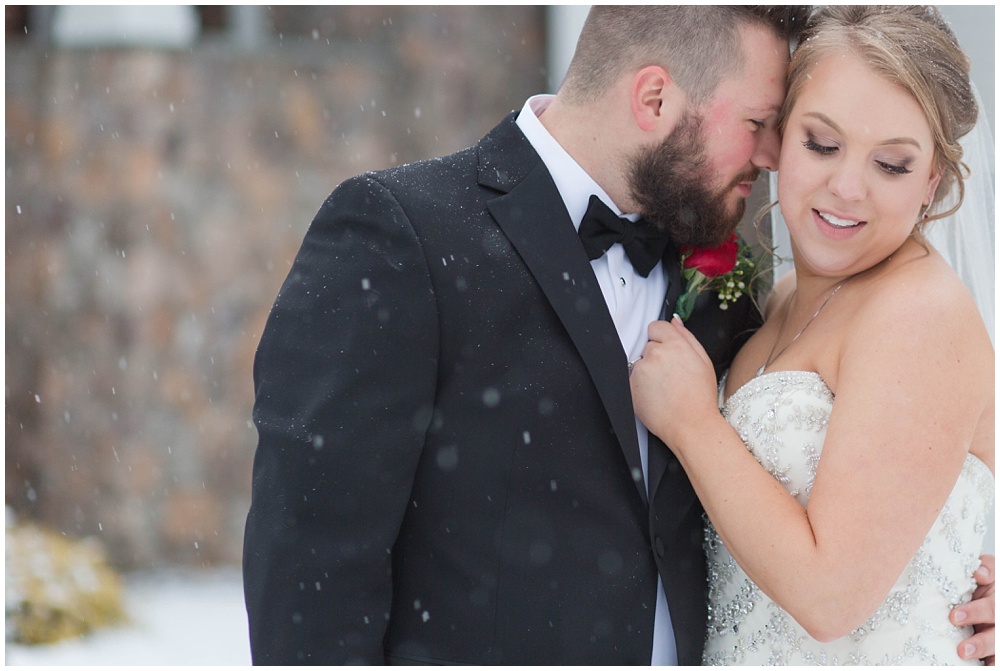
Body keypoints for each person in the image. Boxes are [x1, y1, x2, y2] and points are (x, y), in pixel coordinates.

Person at [243, 6, 995, 665]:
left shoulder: (726, 271)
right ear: (655, 97)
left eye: (891, 162)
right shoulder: (402, 234)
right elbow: (311, 566)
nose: (773, 159)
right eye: (768, 128)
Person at [630, 5, 995, 665]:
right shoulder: (782, 298)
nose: (846, 187)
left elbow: (831, 597)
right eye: (821, 144)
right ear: (779, 137)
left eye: (891, 164)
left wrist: (692, 421)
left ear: (932, 181)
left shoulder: (921, 311)